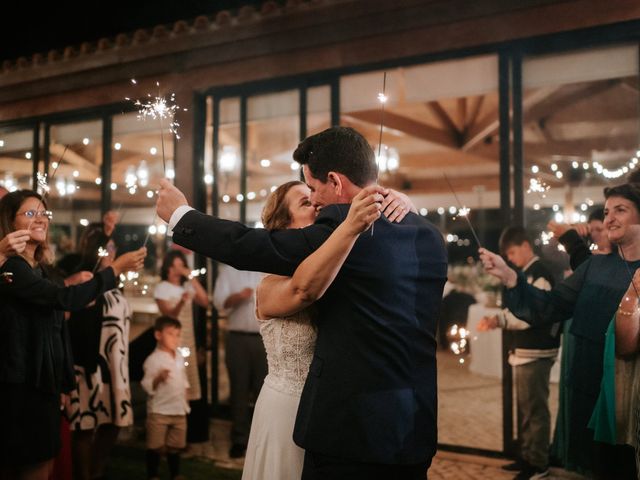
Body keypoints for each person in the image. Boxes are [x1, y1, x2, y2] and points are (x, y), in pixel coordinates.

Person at [157, 125, 448, 479]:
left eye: (313, 188)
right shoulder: (429, 235)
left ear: (336, 182)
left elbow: (251, 246)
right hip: (412, 425)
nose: (315, 201)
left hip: (349, 431)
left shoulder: (344, 226)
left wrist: (181, 216)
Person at [479, 183, 640, 479]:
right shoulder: (595, 267)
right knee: (598, 468)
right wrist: (511, 277)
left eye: (621, 210)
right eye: (607, 212)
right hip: (588, 389)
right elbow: (549, 306)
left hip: (628, 395)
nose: (609, 219)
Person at [0, 190, 145, 480]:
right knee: (31, 466)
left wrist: (64, 381)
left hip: (45, 384)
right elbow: (65, 300)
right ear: (9, 224)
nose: (40, 218)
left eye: (43, 213)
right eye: (30, 214)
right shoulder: (12, 269)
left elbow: (57, 327)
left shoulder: (40, 269)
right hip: (22, 387)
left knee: (46, 463)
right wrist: (115, 269)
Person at [241, 181, 382, 479]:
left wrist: (394, 198)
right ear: (284, 226)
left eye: (315, 199)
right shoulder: (269, 286)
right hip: (287, 409)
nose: (317, 205)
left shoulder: (334, 274)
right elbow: (303, 291)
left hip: (329, 409)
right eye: (305, 203)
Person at [477, 226, 557, 480]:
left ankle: (538, 463)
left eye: (511, 253)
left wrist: (499, 320)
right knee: (526, 409)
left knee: (535, 410)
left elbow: (532, 316)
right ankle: (526, 456)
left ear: (525, 246)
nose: (510, 259)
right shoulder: (525, 273)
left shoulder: (540, 273)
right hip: (524, 351)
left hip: (536, 351)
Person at [61, 217, 135, 480]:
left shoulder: (115, 281)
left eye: (114, 248)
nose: (113, 252)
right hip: (89, 360)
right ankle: (85, 475)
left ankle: (97, 471)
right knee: (85, 424)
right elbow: (72, 319)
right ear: (96, 249)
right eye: (108, 248)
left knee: (113, 423)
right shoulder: (85, 276)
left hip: (116, 363)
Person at [212, 263, 266, 459]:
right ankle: (239, 440)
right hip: (237, 338)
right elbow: (218, 303)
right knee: (239, 390)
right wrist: (238, 297)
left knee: (265, 392)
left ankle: (261, 441)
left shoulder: (266, 268)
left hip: (265, 338)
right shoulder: (229, 271)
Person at [154, 250, 208, 404]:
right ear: (168, 268)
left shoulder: (187, 287)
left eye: (181, 265)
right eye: (175, 266)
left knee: (187, 381)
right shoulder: (162, 287)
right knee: (172, 378)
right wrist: (181, 302)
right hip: (170, 339)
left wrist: (191, 277)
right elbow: (168, 316)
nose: (178, 270)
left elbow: (204, 301)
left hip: (188, 339)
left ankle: (184, 419)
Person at [141, 316, 190, 480]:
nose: (175, 338)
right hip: (159, 411)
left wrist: (186, 396)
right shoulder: (153, 359)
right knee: (155, 446)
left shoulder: (179, 356)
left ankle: (175, 473)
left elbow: (183, 379)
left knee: (175, 446)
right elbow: (146, 383)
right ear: (158, 335)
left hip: (178, 409)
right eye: (170, 334)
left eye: (178, 334)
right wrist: (157, 379)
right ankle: (153, 474)